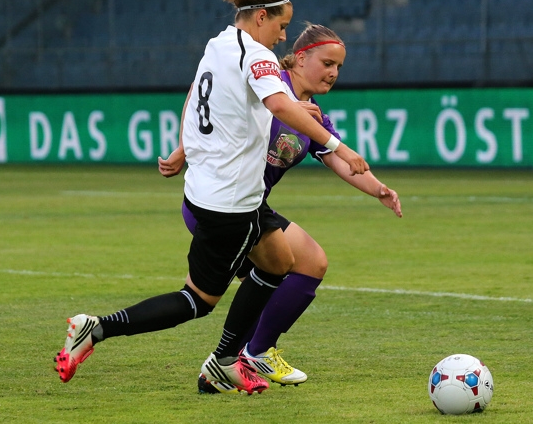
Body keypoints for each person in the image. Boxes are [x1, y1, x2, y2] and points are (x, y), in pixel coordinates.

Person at [53, 0, 368, 395]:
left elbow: (197, 95)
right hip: (230, 204)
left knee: (279, 260)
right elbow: (278, 103)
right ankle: (105, 331)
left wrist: (184, 146)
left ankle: (236, 358)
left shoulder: (218, 45)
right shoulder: (256, 56)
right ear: (260, 18)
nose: (281, 36)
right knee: (196, 302)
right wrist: (342, 147)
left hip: (214, 191)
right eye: (281, 25)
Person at [158, 24, 402, 394]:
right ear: (301, 57)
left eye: (339, 66)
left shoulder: (312, 115)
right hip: (219, 206)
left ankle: (253, 353)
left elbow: (338, 158)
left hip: (252, 208)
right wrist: (184, 146)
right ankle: (233, 360)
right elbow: (202, 93)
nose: (334, 72)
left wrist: (379, 189)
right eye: (327, 62)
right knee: (263, 279)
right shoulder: (267, 79)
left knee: (312, 263)